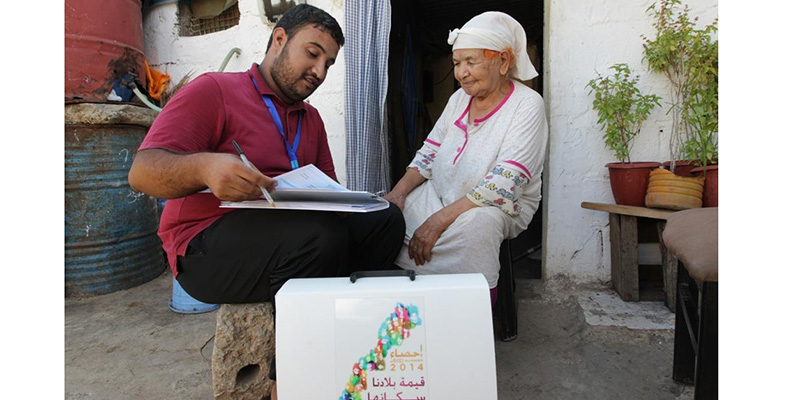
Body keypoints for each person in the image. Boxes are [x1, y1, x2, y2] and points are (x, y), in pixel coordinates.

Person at [129, 5, 405, 396]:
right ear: (279, 39)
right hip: (204, 249)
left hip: (290, 235)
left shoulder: (310, 119)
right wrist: (205, 167)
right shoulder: (216, 90)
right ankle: (290, 378)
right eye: (312, 54)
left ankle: (342, 322)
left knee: (386, 218)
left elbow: (330, 194)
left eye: (328, 63)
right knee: (318, 237)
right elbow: (141, 172)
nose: (319, 72)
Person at [383, 12, 548, 305]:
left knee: (478, 228)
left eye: (471, 62)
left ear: (504, 61)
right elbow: (429, 153)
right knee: (389, 216)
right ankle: (407, 306)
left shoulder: (527, 104)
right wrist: (397, 194)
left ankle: (469, 315)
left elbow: (505, 184)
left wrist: (437, 222)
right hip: (441, 193)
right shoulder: (459, 99)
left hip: (496, 205)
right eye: (457, 63)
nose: (461, 73)